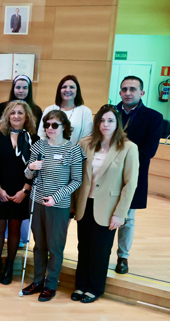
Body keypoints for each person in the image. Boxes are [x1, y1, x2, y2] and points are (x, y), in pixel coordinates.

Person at [73, 105, 139, 303]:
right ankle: (81, 285)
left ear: (117, 123)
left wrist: (120, 214)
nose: (105, 124)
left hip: (108, 208)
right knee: (83, 247)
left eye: (110, 120)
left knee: (100, 251)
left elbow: (130, 184)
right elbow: (76, 174)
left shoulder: (128, 147)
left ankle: (94, 288)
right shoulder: (86, 143)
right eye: (102, 120)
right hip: (85, 203)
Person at [23, 110, 85, 302]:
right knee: (39, 245)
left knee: (55, 247)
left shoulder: (73, 150)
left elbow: (77, 181)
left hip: (58, 206)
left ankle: (51, 285)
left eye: (54, 125)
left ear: (64, 127)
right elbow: (27, 175)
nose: (50, 128)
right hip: (37, 202)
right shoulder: (38, 146)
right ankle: (38, 281)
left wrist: (55, 197)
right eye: (47, 125)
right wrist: (30, 168)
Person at [114, 76, 164, 274]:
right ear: (120, 92)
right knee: (103, 216)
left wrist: (121, 163)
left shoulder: (153, 117)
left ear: (141, 93)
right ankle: (100, 255)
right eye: (124, 89)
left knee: (127, 219)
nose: (128, 93)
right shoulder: (110, 113)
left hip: (133, 176)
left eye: (133, 89)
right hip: (107, 175)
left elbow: (149, 150)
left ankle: (122, 257)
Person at [0, 101, 38, 285]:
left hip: (21, 191)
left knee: (15, 229)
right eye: (13, 113)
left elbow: (36, 170)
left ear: (26, 116)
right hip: (2, 189)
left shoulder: (33, 139)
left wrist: (25, 191)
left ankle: (9, 266)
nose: (16, 116)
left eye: (20, 113)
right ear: (7, 116)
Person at [38, 75, 93, 142]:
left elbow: (86, 139)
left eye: (72, 87)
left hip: (76, 151)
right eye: (64, 87)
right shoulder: (49, 109)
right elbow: (42, 135)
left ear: (77, 91)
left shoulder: (85, 111)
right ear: (59, 90)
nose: (67, 90)